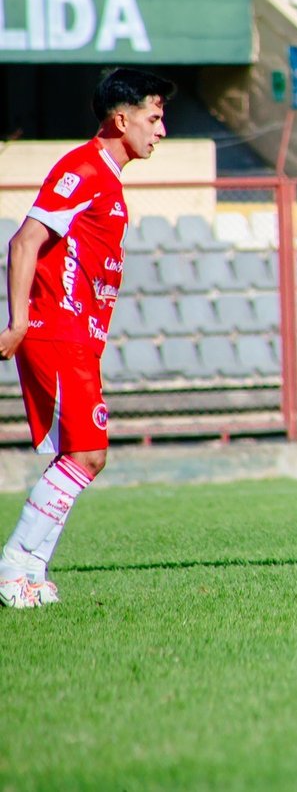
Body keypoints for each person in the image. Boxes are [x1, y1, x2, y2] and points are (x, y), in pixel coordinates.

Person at [0, 68, 174, 608]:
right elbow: (25, 241)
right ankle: (12, 568)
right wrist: (19, 321)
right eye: (154, 117)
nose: (161, 130)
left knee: (76, 455)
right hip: (56, 331)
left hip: (77, 336)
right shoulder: (82, 169)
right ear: (121, 120)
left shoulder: (106, 176)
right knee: (89, 453)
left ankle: (29, 570)